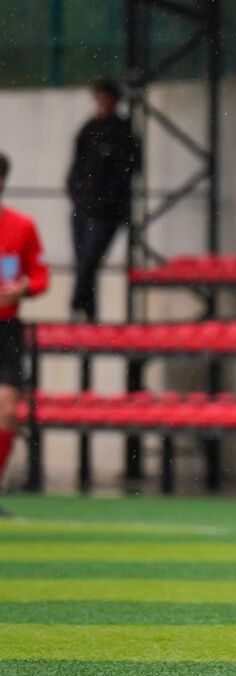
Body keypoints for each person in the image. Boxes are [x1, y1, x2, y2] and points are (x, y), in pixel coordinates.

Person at [66, 77, 140, 323]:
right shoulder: (89, 129)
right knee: (84, 265)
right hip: (83, 207)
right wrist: (76, 193)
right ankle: (89, 315)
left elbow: (129, 170)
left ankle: (77, 306)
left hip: (106, 211)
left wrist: (108, 198)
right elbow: (77, 165)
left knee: (88, 262)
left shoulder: (122, 132)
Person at [0, 152, 50, 514]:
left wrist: (24, 288)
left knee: (7, 409)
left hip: (6, 329)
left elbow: (42, 276)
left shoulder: (22, 226)